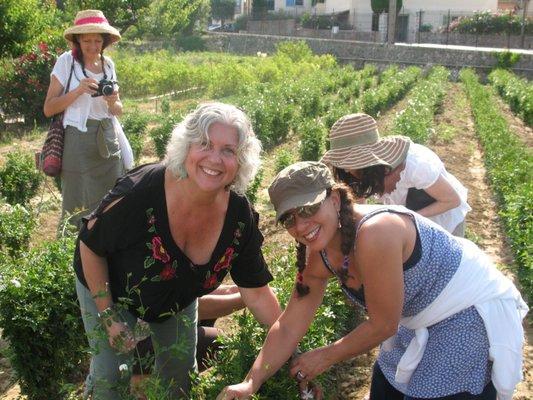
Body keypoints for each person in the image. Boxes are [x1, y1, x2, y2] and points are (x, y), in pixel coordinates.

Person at [218, 161, 528, 400]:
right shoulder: (319, 254)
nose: (301, 225)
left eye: (309, 208)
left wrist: (324, 356)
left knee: (437, 390)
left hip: (463, 316)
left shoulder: (377, 233)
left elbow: (383, 325)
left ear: (336, 199)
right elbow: (287, 326)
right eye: (289, 218)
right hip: (414, 318)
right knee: (386, 386)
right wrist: (251, 381)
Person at [73, 102, 282, 399]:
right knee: (112, 375)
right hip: (109, 285)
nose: (215, 159)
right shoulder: (140, 192)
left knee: (180, 371)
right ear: (186, 146)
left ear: (241, 160)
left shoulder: (238, 218)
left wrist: (291, 345)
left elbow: (257, 293)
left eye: (228, 150)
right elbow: (90, 246)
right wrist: (107, 314)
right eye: (205, 144)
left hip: (176, 295)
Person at [320, 113, 471, 236]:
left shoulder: (416, 165)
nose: (345, 170)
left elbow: (451, 200)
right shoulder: (355, 171)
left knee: (443, 267)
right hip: (411, 221)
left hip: (444, 220)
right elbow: (359, 203)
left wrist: (406, 218)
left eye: (349, 161)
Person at [43, 9, 126, 228]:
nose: (92, 45)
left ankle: (104, 250)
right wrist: (78, 91)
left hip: (107, 139)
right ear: (77, 41)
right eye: (86, 40)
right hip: (77, 140)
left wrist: (112, 100)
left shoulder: (108, 65)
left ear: (105, 41)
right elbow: (48, 108)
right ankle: (72, 252)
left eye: (98, 40)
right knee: (76, 204)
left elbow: (117, 110)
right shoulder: (66, 62)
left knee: (111, 201)